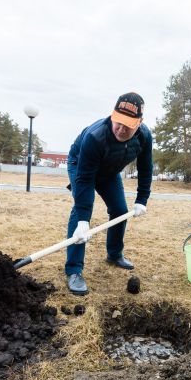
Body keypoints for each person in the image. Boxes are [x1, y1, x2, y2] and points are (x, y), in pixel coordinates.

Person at [65, 92, 153, 296]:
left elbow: (146, 169)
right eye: (118, 122)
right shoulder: (95, 136)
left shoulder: (145, 136)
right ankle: (74, 270)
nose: (121, 129)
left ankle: (114, 254)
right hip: (81, 165)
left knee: (120, 210)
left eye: (128, 125)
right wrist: (84, 220)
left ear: (139, 123)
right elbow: (85, 179)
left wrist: (142, 200)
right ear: (112, 115)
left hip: (109, 171)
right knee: (79, 215)